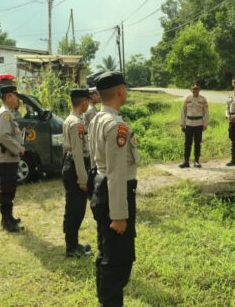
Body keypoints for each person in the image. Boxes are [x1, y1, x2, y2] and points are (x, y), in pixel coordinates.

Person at [88, 71, 139, 307]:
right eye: (125, 88)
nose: (126, 92)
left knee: (107, 252)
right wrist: (119, 216)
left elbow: (95, 162)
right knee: (118, 261)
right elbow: (117, 174)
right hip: (114, 193)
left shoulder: (98, 118)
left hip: (101, 188)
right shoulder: (116, 125)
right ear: (120, 91)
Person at [62, 88, 94, 257]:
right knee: (76, 209)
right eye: (87, 101)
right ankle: (72, 247)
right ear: (83, 102)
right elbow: (78, 154)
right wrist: (82, 179)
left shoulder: (70, 119)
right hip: (76, 167)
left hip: (69, 165)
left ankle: (73, 243)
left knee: (73, 207)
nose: (88, 104)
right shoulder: (77, 123)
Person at [0, 85, 25, 233]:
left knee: (10, 189)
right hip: (6, 158)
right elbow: (2, 136)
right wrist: (18, 147)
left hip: (10, 158)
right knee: (6, 190)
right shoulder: (5, 114)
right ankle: (6, 221)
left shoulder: (9, 113)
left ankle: (9, 217)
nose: (17, 98)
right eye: (15, 95)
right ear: (8, 97)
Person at [179, 83, 209, 168]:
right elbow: (183, 111)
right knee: (187, 143)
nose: (195, 90)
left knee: (197, 143)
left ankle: (196, 161)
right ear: (191, 90)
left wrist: (205, 124)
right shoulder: (187, 99)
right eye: (193, 89)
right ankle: (186, 161)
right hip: (188, 124)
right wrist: (182, 124)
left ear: (199, 90)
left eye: (196, 89)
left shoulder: (203, 99)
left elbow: (206, 112)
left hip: (199, 124)